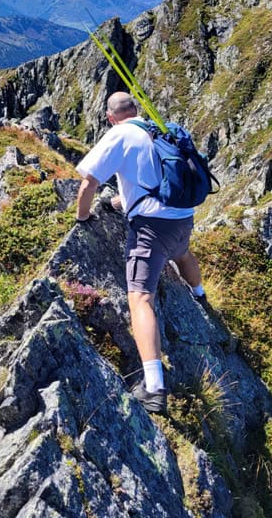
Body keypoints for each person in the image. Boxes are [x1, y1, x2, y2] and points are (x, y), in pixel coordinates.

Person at [74, 91, 206, 414]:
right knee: (183, 253)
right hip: (182, 218)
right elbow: (151, 181)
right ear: (135, 109)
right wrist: (117, 203)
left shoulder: (119, 134)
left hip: (151, 228)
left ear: (110, 116)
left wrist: (83, 216)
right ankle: (200, 295)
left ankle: (154, 388)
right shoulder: (156, 129)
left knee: (140, 298)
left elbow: (87, 184)